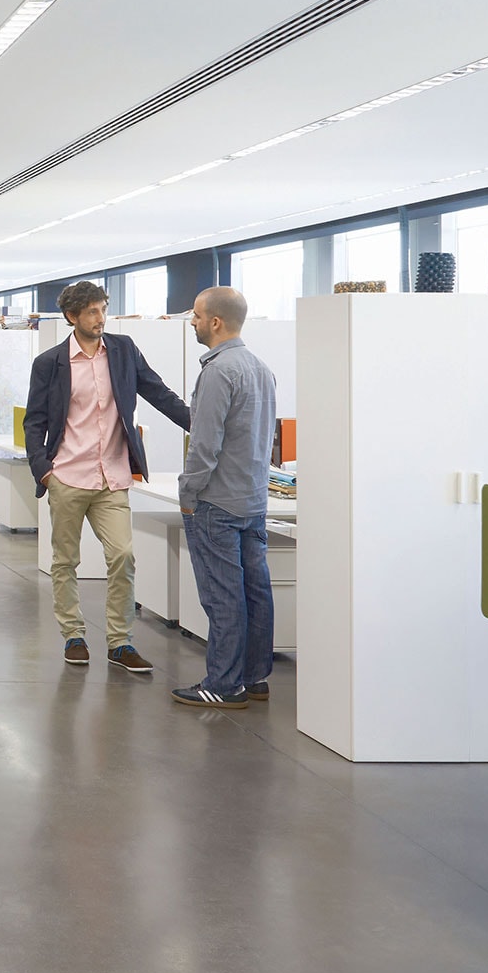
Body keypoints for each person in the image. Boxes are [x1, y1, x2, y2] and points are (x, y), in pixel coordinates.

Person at [24, 281, 191, 672]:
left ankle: (120, 643)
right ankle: (73, 635)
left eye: (103, 310)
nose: (101, 319)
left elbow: (158, 392)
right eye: (93, 312)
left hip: (112, 476)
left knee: (123, 556)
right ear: (72, 317)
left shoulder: (123, 350)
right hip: (66, 476)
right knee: (65, 561)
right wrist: (44, 471)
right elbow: (35, 422)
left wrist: (199, 423)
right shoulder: (50, 363)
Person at [170, 286, 279, 710]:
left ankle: (223, 683)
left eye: (196, 316)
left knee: (223, 596)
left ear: (215, 321)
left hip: (216, 503)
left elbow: (204, 444)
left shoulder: (218, 371)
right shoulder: (260, 368)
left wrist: (188, 492)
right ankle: (254, 677)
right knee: (256, 592)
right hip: (252, 500)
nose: (193, 322)